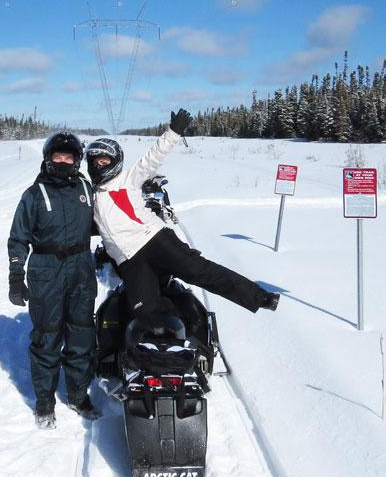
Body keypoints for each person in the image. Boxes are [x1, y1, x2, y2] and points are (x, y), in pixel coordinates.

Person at [85, 109, 280, 321]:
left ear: (115, 162)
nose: (98, 165)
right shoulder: (89, 196)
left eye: (103, 161)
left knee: (198, 271)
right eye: (94, 162)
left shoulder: (128, 180)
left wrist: (173, 132)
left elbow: (152, 158)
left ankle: (260, 297)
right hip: (129, 261)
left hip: (154, 240)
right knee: (143, 311)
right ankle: (171, 340)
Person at [7, 131, 102, 430]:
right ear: (48, 159)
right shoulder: (34, 195)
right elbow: (18, 237)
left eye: (68, 156)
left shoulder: (86, 188)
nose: (63, 161)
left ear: (76, 160)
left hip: (81, 268)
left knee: (81, 333)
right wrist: (15, 274)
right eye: (57, 156)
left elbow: (107, 218)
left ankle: (77, 394)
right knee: (47, 336)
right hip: (46, 270)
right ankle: (45, 402)